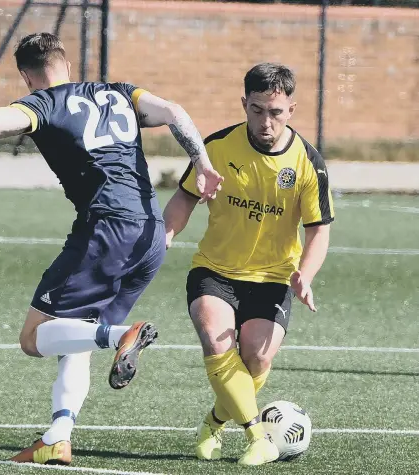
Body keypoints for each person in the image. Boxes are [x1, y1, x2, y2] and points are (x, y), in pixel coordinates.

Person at [0, 32, 223, 466]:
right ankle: (58, 436)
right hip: (150, 235)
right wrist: (202, 163)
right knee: (75, 339)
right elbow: (175, 112)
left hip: (105, 232)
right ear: (67, 64)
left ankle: (120, 335)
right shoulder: (120, 92)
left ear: (27, 77)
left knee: (34, 339)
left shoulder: (43, 103)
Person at [164, 63, 334, 466]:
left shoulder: (309, 163)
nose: (265, 121)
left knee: (257, 358)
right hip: (215, 270)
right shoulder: (217, 148)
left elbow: (318, 230)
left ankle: (214, 422)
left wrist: (305, 276)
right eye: (257, 110)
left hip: (274, 277)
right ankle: (259, 438)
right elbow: (186, 197)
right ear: (244, 104)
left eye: (275, 112)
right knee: (216, 340)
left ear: (291, 110)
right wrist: (164, 237)